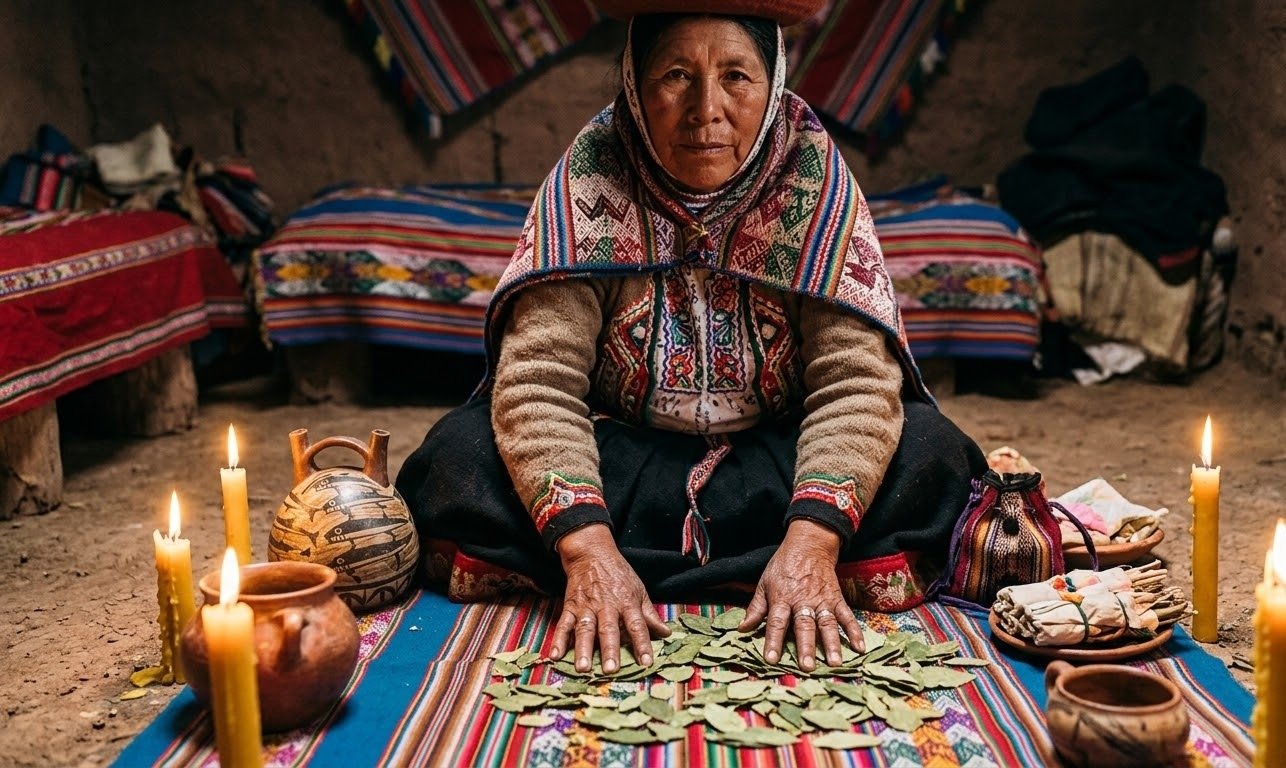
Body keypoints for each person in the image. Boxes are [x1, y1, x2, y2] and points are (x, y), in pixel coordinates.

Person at [395, 0, 987, 677]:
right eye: (676, 75)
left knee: (932, 453)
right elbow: (538, 383)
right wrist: (585, 546)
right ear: (634, 86)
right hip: (625, 462)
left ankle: (775, 561)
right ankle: (625, 566)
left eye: (736, 76)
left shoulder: (811, 178)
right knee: (458, 455)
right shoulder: (590, 178)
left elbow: (854, 382)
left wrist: (814, 541)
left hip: (777, 463)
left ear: (774, 87)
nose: (706, 108)